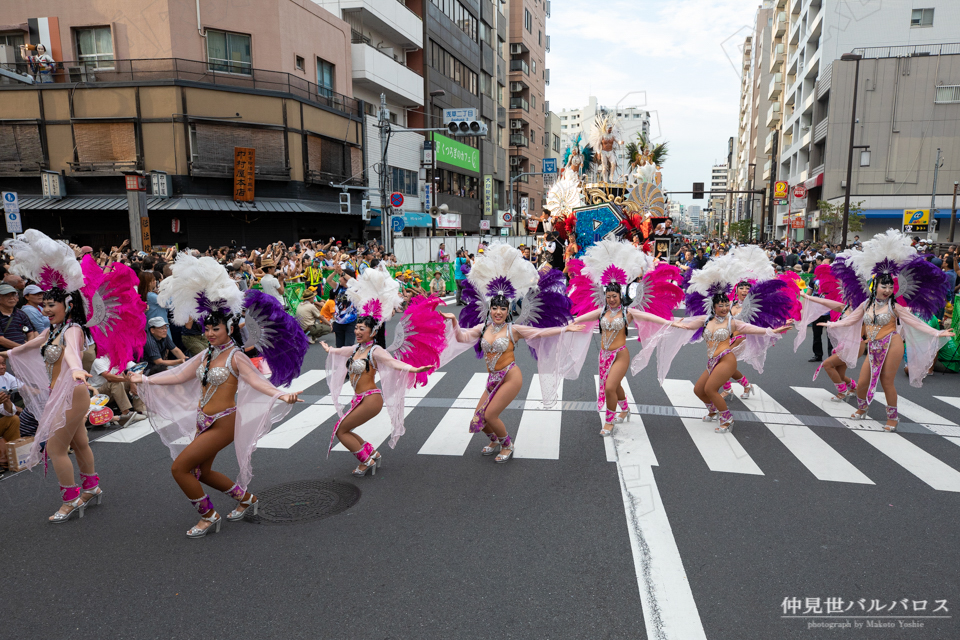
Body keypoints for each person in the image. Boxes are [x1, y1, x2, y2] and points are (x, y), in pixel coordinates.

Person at [130, 253, 306, 538]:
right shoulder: (205, 354)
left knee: (180, 469)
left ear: (230, 328)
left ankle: (209, 515)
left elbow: (257, 381)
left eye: (216, 328)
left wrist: (280, 395)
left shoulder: (236, 357)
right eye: (208, 328)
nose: (210, 332)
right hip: (203, 419)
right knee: (203, 472)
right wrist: (146, 379)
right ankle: (247, 499)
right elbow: (178, 374)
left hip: (224, 422)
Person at [4, 230, 145, 522]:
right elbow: (33, 344)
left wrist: (77, 368)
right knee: (79, 442)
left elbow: (70, 353)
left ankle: (70, 500)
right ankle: (91, 488)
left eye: (50, 305)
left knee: (55, 448)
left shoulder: (72, 330)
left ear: (67, 305)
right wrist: (7, 354)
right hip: (61, 393)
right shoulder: (52, 330)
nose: (45, 309)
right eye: (43, 305)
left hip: (72, 392)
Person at [440, 244, 583, 462]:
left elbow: (540, 333)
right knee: (478, 421)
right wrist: (453, 322)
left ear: (508, 310)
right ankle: (495, 440)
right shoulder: (482, 328)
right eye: (495, 309)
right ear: (490, 309)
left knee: (490, 414)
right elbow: (462, 338)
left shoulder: (513, 329)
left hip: (510, 376)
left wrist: (565, 328)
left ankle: (507, 444)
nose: (498, 312)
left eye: (503, 309)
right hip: (492, 378)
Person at [821, 230, 955, 431]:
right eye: (883, 286)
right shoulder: (866, 304)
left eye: (890, 287)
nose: (887, 290)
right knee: (864, 381)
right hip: (873, 346)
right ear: (874, 286)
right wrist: (832, 325)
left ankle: (892, 418)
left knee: (886, 382)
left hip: (891, 344)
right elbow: (851, 321)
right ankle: (862, 408)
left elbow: (913, 322)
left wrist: (937, 333)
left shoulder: (895, 307)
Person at [322, 269, 442, 475]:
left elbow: (395, 364)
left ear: (373, 332)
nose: (358, 332)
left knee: (341, 430)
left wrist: (415, 368)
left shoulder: (375, 350)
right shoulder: (357, 349)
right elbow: (343, 351)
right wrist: (330, 349)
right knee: (345, 428)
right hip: (358, 398)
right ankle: (372, 454)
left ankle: (366, 460)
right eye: (357, 328)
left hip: (370, 399)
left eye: (362, 329)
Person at [567, 240, 683, 436]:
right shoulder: (601, 311)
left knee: (609, 386)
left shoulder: (627, 312)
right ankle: (625, 407)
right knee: (615, 384)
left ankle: (609, 421)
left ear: (620, 295)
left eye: (615, 296)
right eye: (609, 296)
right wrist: (567, 325)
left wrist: (671, 323)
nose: (611, 299)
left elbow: (648, 316)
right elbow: (578, 318)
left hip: (620, 354)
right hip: (604, 355)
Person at [88, 355, 146, 426]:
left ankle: (140, 410)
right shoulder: (99, 361)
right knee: (115, 383)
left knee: (139, 379)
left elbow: (139, 368)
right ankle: (126, 413)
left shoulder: (121, 357)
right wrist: (130, 379)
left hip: (115, 389)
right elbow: (109, 378)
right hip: (98, 393)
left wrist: (132, 382)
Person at [0, 283, 38, 352]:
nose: (11, 298)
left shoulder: (21, 314)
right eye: (6, 295)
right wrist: (22, 347)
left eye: (13, 295)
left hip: (22, 354)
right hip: (4, 356)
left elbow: (30, 332)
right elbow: (1, 340)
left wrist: (28, 345)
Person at [326, 264, 357, 347]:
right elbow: (328, 280)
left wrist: (342, 272)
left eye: (340, 277)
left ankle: (349, 360)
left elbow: (353, 281)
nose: (339, 279)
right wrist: (335, 272)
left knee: (348, 346)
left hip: (350, 322)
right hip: (339, 321)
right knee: (339, 347)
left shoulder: (353, 288)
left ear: (346, 279)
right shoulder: (338, 287)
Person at [0, 355, 20, 472]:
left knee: (13, 419)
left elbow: (9, 412)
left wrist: (6, 401)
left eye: (3, 363)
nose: (2, 367)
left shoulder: (5, 377)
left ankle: (15, 457)